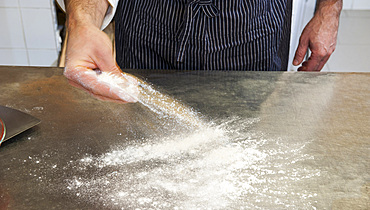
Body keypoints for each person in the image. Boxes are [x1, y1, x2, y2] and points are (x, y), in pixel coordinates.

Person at [57, 0, 342, 102]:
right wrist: (81, 20)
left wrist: (330, 9)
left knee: (242, 143)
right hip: (149, 16)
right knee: (144, 140)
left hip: (251, 17)